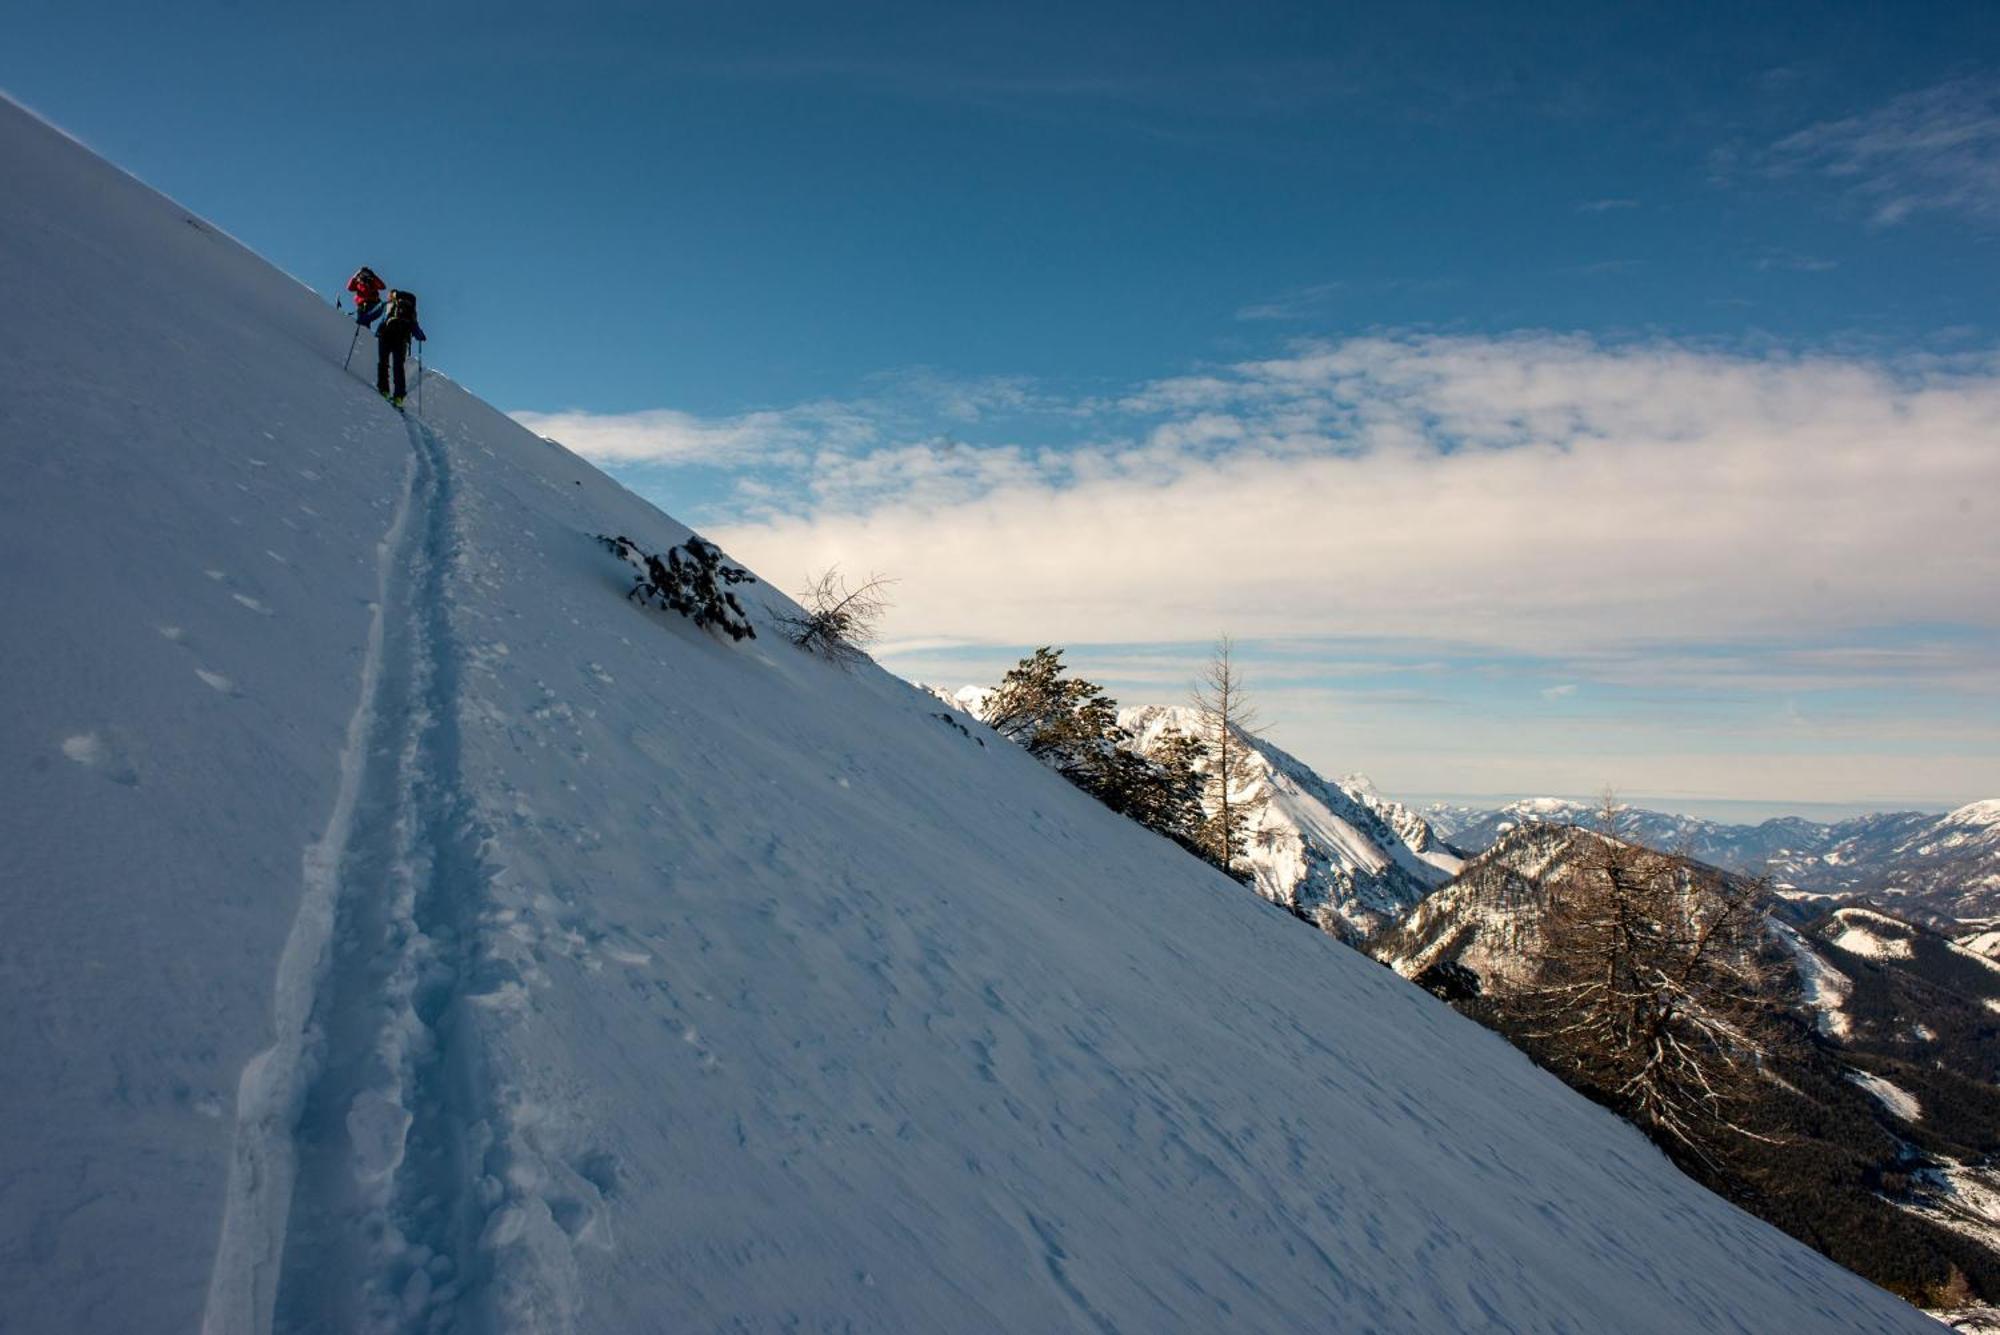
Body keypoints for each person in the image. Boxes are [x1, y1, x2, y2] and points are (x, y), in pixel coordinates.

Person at [375, 289, 426, 407]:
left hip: (385, 335)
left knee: (383, 362)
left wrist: (363, 320)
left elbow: (379, 317)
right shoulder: (410, 312)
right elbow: (415, 328)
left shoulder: (389, 305)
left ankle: (384, 389)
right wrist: (421, 336)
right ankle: (399, 396)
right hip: (401, 339)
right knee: (398, 367)